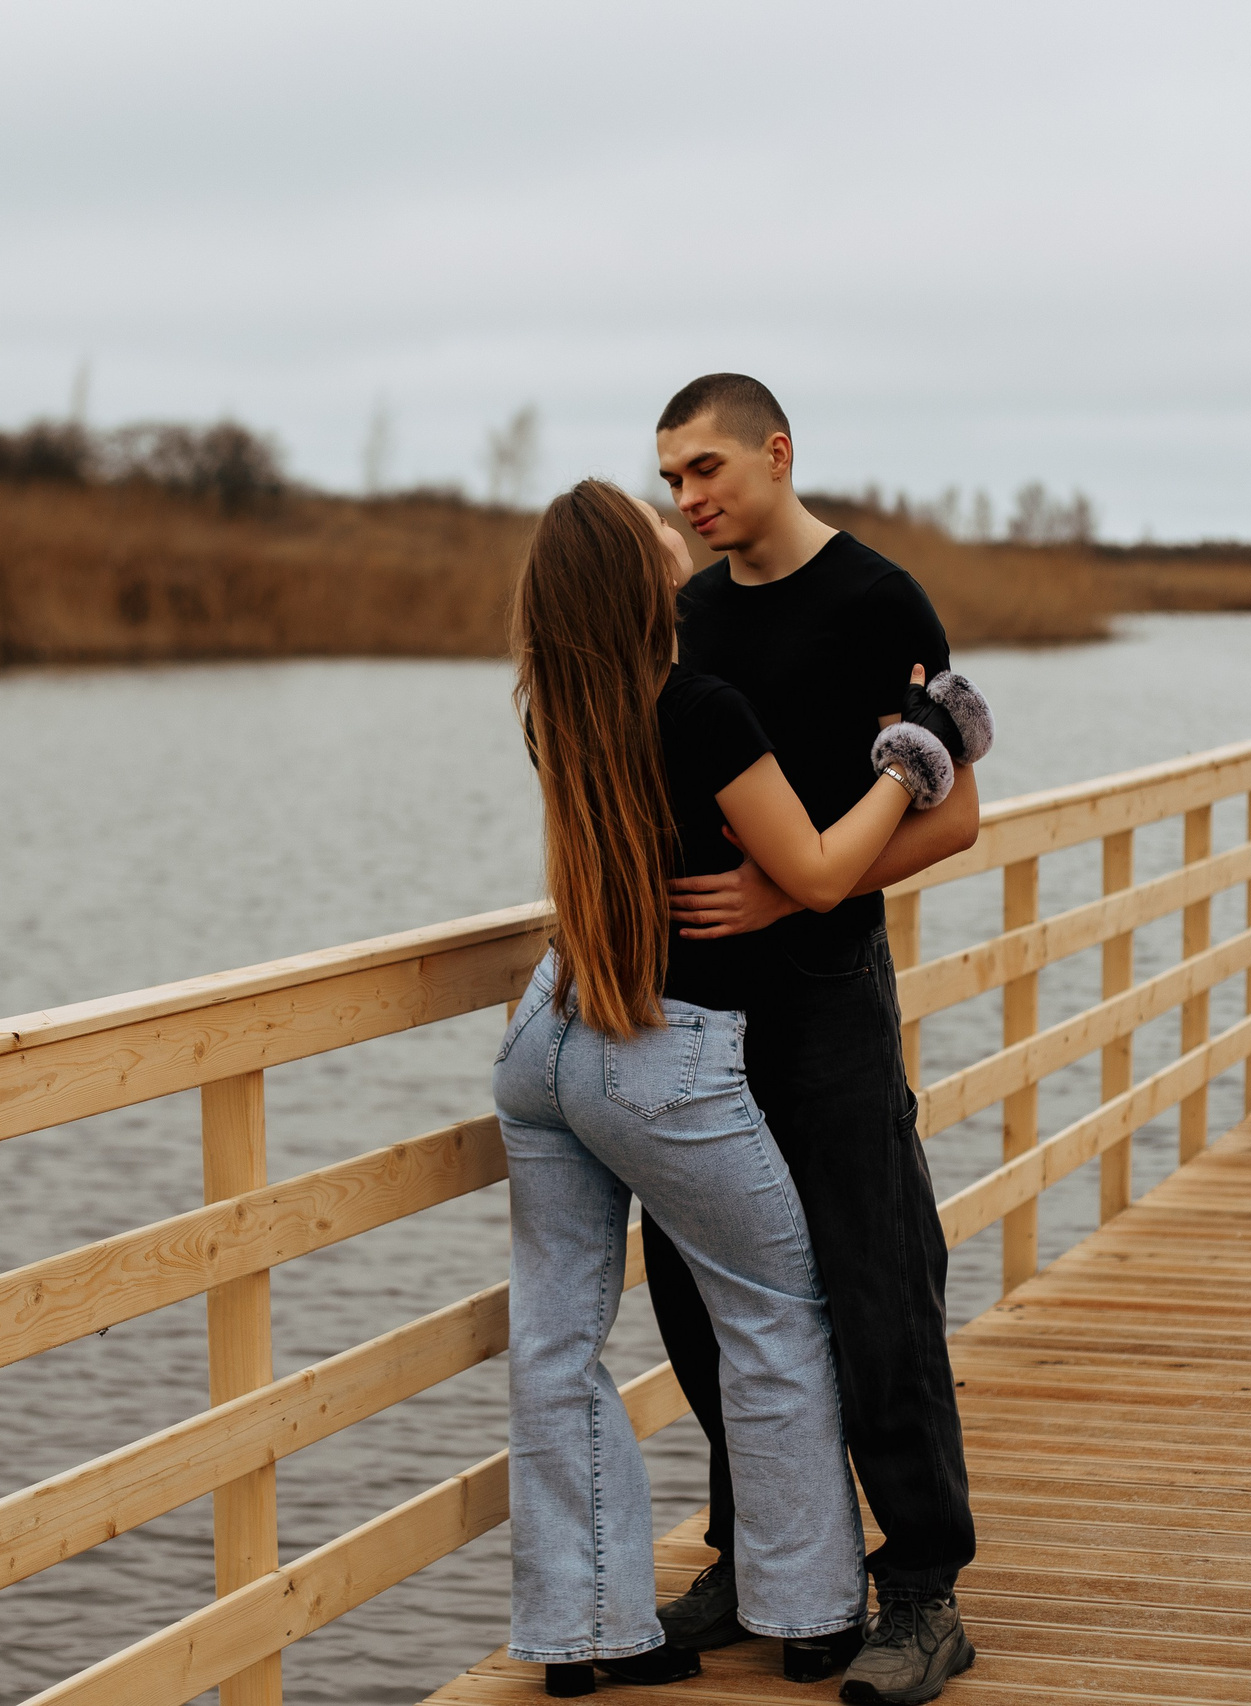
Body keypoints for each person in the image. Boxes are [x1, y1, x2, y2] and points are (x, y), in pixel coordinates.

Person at [494, 478, 969, 1697]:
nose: (677, 518)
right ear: (633, 577)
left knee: (554, 1344)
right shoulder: (697, 705)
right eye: (651, 511)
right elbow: (813, 868)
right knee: (777, 1302)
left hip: (550, 1035)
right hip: (656, 1048)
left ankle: (585, 1633)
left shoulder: (556, 704)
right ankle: (810, 1611)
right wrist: (915, 756)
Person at [647, 374, 982, 1706]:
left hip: (829, 993)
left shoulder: (881, 604)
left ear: (779, 453)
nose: (691, 497)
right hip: (693, 1008)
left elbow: (953, 816)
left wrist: (798, 885)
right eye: (672, 477)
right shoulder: (687, 614)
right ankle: (759, 1555)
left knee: (876, 1275)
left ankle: (924, 1592)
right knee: (704, 1285)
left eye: (710, 466)